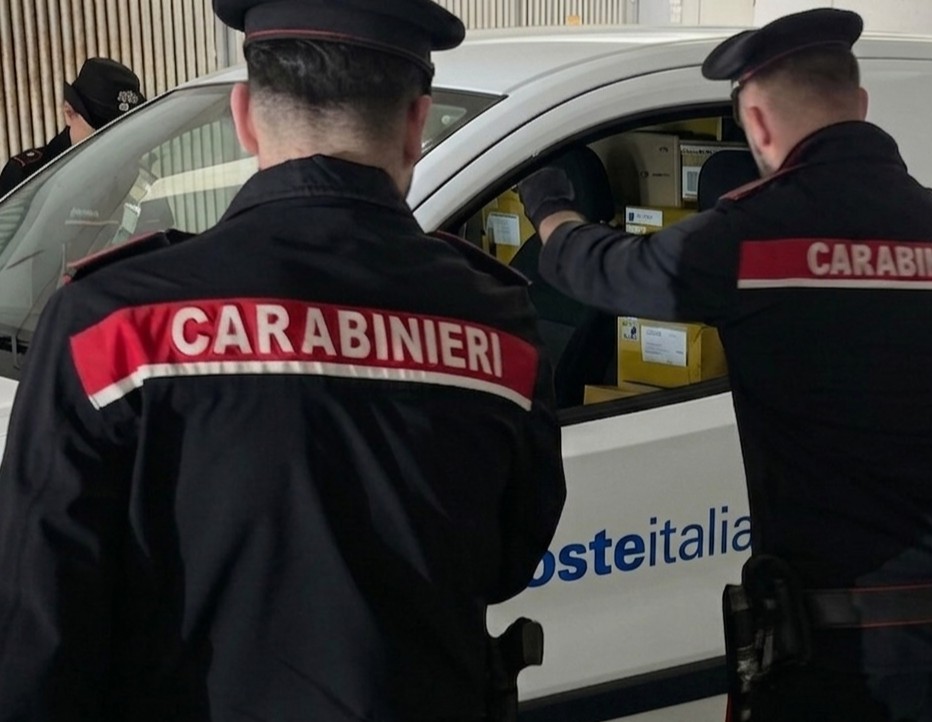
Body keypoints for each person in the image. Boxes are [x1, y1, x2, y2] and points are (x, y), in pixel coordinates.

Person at [0, 0, 565, 719]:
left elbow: (37, 636)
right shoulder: (498, 327)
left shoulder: (109, 326)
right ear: (416, 124)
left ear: (243, 116)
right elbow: (510, 561)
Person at [519, 8, 932, 722]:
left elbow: (610, 272)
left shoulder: (756, 236)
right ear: (859, 103)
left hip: (844, 645)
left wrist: (552, 210)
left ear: (756, 122)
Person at [0, 57, 145, 197]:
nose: (114, 142)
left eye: (125, 131)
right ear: (69, 113)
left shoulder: (134, 174)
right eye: (103, 131)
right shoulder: (28, 176)